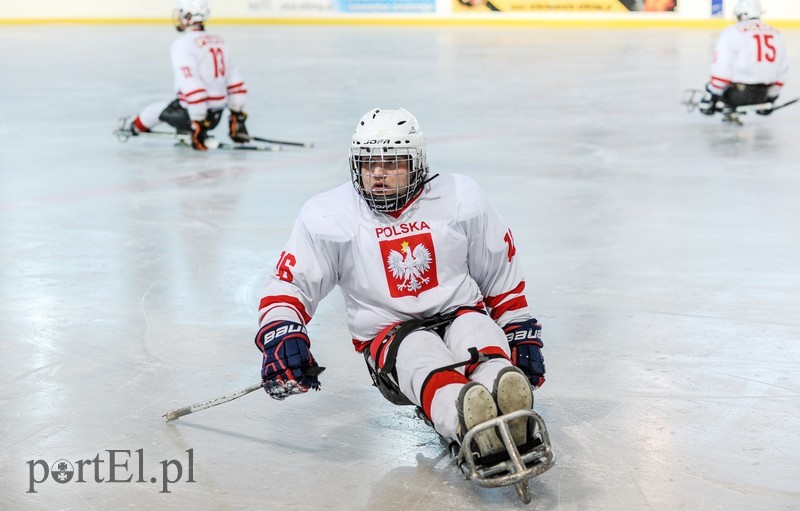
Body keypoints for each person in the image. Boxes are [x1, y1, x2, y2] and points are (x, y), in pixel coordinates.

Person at [253, 108, 547, 460]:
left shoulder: (461, 197)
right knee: (419, 354)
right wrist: (282, 335)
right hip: (393, 337)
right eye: (368, 163)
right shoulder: (329, 215)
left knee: (478, 333)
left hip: (460, 313)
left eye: (391, 163)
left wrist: (518, 328)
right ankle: (466, 420)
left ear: (416, 162)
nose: (377, 174)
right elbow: (290, 286)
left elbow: (499, 273)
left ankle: (508, 405)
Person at [124, 0, 249, 150]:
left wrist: (197, 123)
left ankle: (132, 127)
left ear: (188, 16)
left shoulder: (183, 43)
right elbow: (234, 80)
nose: (178, 18)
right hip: (217, 115)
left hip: (193, 115)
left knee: (154, 111)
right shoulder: (219, 41)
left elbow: (191, 83)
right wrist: (237, 118)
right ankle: (186, 130)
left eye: (181, 14)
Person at [699, 0, 789, 117]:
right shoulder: (776, 33)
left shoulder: (732, 31)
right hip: (762, 95)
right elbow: (782, 69)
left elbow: (722, 69)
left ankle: (731, 115)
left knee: (715, 86)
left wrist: (711, 95)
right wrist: (772, 97)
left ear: (742, 13)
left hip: (737, 95)